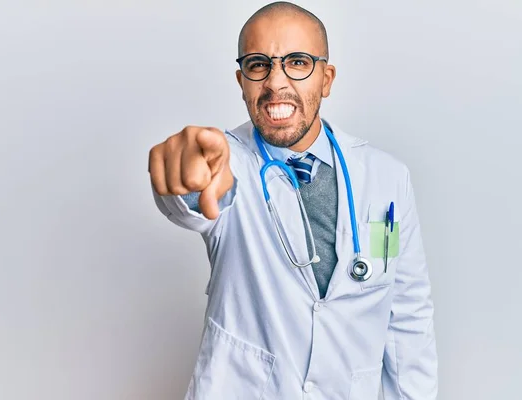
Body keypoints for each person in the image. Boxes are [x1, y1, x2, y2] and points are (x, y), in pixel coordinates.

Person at [148, 2, 438, 399]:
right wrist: (185, 181)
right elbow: (198, 199)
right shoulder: (226, 162)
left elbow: (408, 318)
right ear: (241, 81)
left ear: (326, 78)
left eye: (297, 62)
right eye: (258, 64)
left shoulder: (387, 177)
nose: (275, 82)